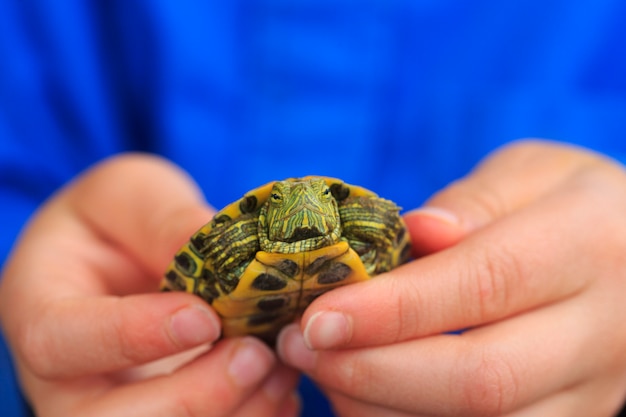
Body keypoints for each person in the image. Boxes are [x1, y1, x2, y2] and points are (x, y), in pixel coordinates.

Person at [1, 2, 626, 416]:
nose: (306, 205)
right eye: (293, 203)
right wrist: (27, 344)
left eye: (318, 202)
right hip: (175, 364)